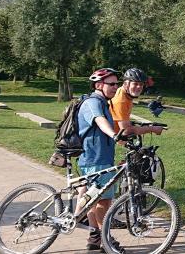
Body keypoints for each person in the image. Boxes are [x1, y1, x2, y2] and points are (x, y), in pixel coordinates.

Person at [77, 68, 126, 252]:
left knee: (94, 199)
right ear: (99, 85)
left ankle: (94, 238)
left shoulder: (102, 102)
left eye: (117, 84)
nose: (116, 87)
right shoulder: (93, 102)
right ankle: (105, 239)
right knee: (103, 201)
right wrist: (114, 135)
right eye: (112, 84)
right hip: (94, 159)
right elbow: (99, 121)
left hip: (97, 158)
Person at [110, 68, 165, 137]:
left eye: (141, 84)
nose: (139, 87)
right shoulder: (121, 101)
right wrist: (152, 129)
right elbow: (126, 131)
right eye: (135, 84)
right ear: (126, 84)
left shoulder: (126, 94)